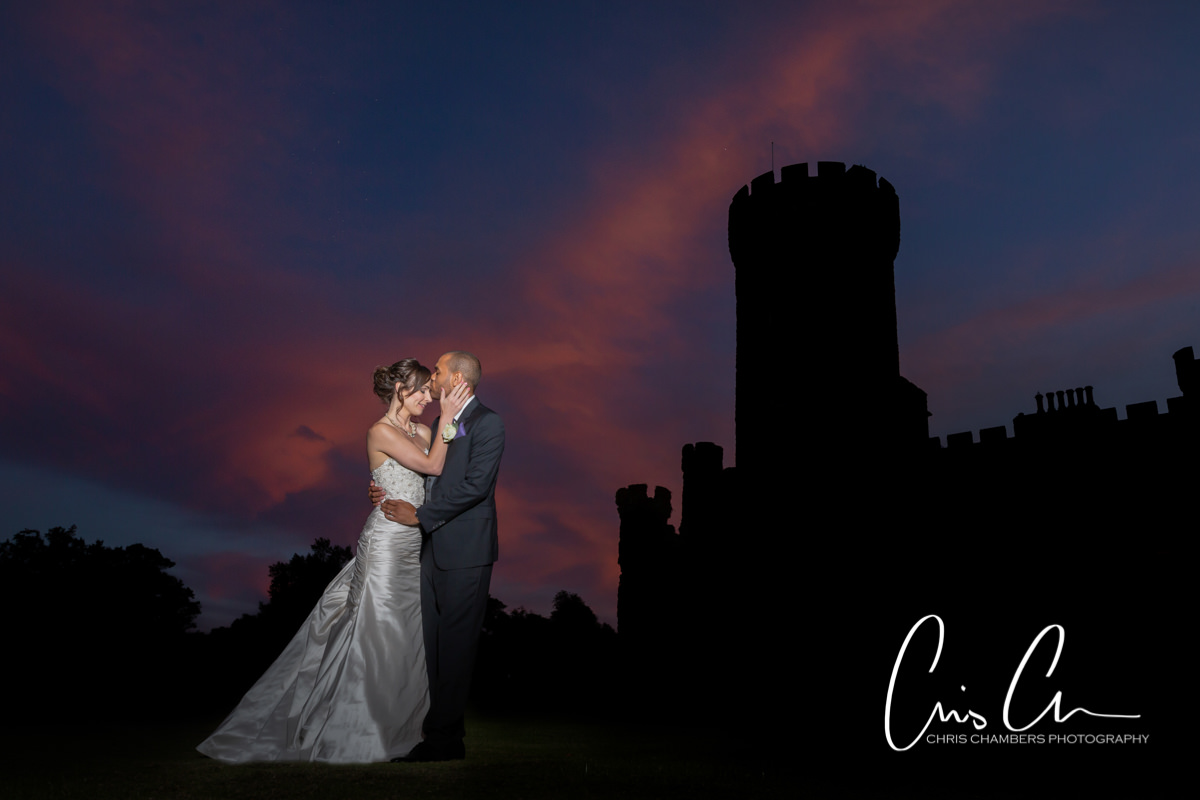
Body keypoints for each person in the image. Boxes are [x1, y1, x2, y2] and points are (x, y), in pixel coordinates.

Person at [197, 359, 469, 764]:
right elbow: (430, 464)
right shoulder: (378, 431)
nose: (428, 398)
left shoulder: (427, 430)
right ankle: (352, 728)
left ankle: (405, 728)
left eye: (430, 393)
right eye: (420, 391)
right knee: (374, 630)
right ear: (398, 388)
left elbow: (441, 469)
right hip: (385, 541)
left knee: (408, 635)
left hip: (416, 543)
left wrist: (455, 420)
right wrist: (447, 416)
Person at [371, 351, 504, 762]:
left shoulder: (488, 423)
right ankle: (436, 733)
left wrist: (420, 516)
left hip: (466, 552)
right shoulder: (438, 423)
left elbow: (476, 487)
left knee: (457, 648)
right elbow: (426, 473)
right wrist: (383, 488)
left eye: (440, 371)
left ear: (458, 378)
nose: (434, 378)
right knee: (432, 647)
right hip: (430, 551)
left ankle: (444, 740)